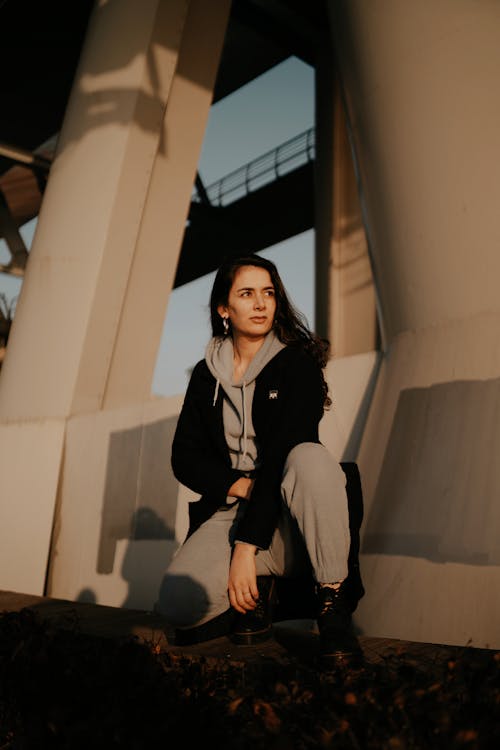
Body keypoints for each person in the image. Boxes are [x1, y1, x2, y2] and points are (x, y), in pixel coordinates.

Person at [157, 254, 362, 660]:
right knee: (178, 604)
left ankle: (332, 604)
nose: (261, 303)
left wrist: (245, 549)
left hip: (292, 506)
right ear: (224, 309)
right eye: (247, 294)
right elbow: (185, 457)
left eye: (268, 293)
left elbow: (283, 453)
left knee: (310, 458)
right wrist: (239, 486)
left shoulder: (296, 363)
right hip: (236, 505)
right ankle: (261, 589)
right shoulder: (204, 374)